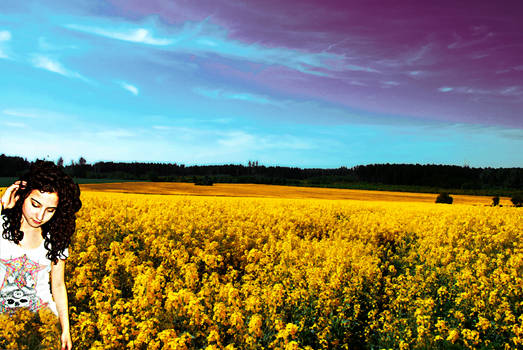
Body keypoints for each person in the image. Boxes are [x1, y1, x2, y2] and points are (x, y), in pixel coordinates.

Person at [0, 160, 81, 350]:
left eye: (50, 210)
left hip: (40, 324)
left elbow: (58, 285)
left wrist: (65, 328)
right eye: (35, 204)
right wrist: (2, 205)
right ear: (22, 195)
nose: (40, 215)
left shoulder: (56, 238)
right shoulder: (1, 223)